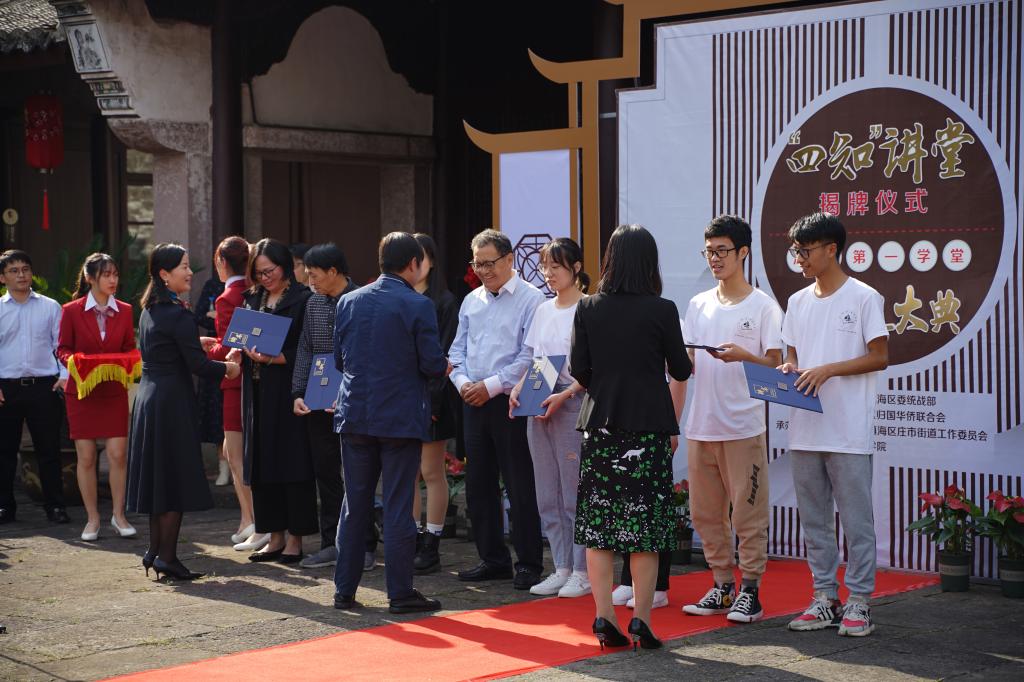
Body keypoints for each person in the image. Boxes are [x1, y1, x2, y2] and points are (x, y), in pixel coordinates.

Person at [570, 224, 692, 651]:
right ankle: (641, 619)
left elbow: (579, 369)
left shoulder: (587, 307)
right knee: (646, 529)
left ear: (611, 259)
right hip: (649, 428)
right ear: (649, 263)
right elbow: (681, 369)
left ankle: (604, 616)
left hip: (601, 425)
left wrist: (607, 385)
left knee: (599, 526)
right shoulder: (662, 310)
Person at [779, 212, 888, 637]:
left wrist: (828, 370)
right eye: (796, 250)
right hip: (805, 427)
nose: (799, 258)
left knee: (857, 521)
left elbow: (879, 356)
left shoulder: (864, 297)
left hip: (848, 429)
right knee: (815, 521)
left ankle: (859, 601)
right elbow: (792, 356)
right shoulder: (797, 302)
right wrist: (791, 368)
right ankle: (825, 597)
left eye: (805, 251)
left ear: (831, 249)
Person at [331, 232, 449, 614]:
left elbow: (339, 360)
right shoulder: (418, 304)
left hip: (354, 414)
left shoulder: (349, 300)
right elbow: (432, 364)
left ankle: (344, 590)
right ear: (413, 263)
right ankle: (400, 593)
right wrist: (444, 367)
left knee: (355, 504)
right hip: (399, 418)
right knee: (399, 505)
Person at [679, 215, 783, 623]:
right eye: (709, 252)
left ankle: (750, 590)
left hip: (742, 427)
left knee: (747, 513)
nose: (715, 259)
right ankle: (723, 585)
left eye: (722, 251)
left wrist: (744, 357)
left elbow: (776, 366)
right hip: (701, 425)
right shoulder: (698, 304)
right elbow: (686, 364)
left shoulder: (763, 306)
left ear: (743, 252)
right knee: (706, 514)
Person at [126, 243, 240, 580]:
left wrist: (195, 342)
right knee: (172, 479)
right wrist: (228, 369)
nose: (190, 273)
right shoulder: (177, 314)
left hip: (150, 399)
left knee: (159, 479)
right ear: (164, 274)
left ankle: (155, 551)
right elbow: (197, 366)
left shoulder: (151, 309)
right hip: (171, 403)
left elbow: (164, 349)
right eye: (184, 267)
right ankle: (167, 557)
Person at [448, 229, 545, 590]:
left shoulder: (531, 299)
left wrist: (490, 386)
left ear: (509, 260)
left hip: (510, 401)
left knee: (519, 483)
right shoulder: (471, 300)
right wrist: (462, 382)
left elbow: (529, 356)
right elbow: (456, 351)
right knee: (479, 483)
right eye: (478, 264)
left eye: (489, 263)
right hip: (472, 399)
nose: (483, 271)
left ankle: (529, 562)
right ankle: (492, 559)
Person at [508, 238, 591, 598]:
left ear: (576, 267)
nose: (548, 273)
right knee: (547, 492)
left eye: (556, 266)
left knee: (574, 492)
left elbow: (595, 368)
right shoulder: (543, 310)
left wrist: (567, 394)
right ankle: (562, 566)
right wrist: (519, 388)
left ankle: (584, 571)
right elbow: (535, 360)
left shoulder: (588, 308)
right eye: (545, 267)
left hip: (573, 402)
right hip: (540, 401)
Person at [291, 242, 378, 571]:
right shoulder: (313, 303)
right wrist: (298, 391)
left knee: (358, 475)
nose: (310, 281)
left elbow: (368, 353)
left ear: (333, 271)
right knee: (325, 472)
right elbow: (305, 348)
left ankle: (364, 544)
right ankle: (332, 543)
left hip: (353, 400)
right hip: (317, 399)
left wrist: (350, 392)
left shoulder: (361, 300)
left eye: (314, 274)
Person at [234, 238, 316, 564]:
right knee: (262, 463)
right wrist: (238, 348)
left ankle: (295, 539)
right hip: (256, 391)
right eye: (259, 273)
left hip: (288, 391)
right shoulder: (253, 298)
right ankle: (274, 535)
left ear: (285, 267)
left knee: (292, 464)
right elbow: (243, 335)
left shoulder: (303, 299)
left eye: (270, 271)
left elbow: (310, 349)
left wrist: (277, 358)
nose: (265, 278)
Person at [57, 253, 138, 542]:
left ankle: (119, 515)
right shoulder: (71, 310)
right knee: (87, 457)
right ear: (90, 278)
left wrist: (131, 359)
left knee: (118, 454)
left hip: (113, 390)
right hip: (82, 392)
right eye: (106, 275)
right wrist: (76, 361)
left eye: (115, 274)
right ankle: (92, 519)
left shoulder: (126, 310)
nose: (113, 280)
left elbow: (129, 347)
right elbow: (63, 348)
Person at [199, 236, 263, 551]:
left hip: (236, 382)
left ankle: (254, 520)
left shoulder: (228, 297)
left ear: (221, 262)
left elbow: (230, 347)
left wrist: (206, 347)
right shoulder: (256, 291)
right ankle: (246, 519)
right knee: (232, 449)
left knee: (237, 456)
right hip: (257, 378)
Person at [0, 250, 70, 526]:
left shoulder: (50, 307)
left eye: (25, 269)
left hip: (44, 386)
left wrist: (64, 376)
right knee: (4, 451)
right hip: (6, 389)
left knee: (49, 450)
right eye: (14, 270)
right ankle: (5, 506)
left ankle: (55, 506)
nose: (21, 275)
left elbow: (60, 345)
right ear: (3, 278)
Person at [410, 233, 459, 575]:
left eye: (421, 258)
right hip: (401, 398)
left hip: (433, 396)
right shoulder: (398, 297)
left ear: (432, 261)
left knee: (431, 471)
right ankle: (412, 538)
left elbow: (444, 356)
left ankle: (432, 542)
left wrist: (435, 401)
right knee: (407, 473)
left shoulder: (443, 301)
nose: (415, 265)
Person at [193, 265, 227, 486]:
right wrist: (216, 318)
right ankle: (223, 467)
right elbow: (199, 315)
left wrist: (215, 315)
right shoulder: (212, 285)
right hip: (214, 350)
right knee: (216, 416)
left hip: (238, 352)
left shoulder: (248, 285)